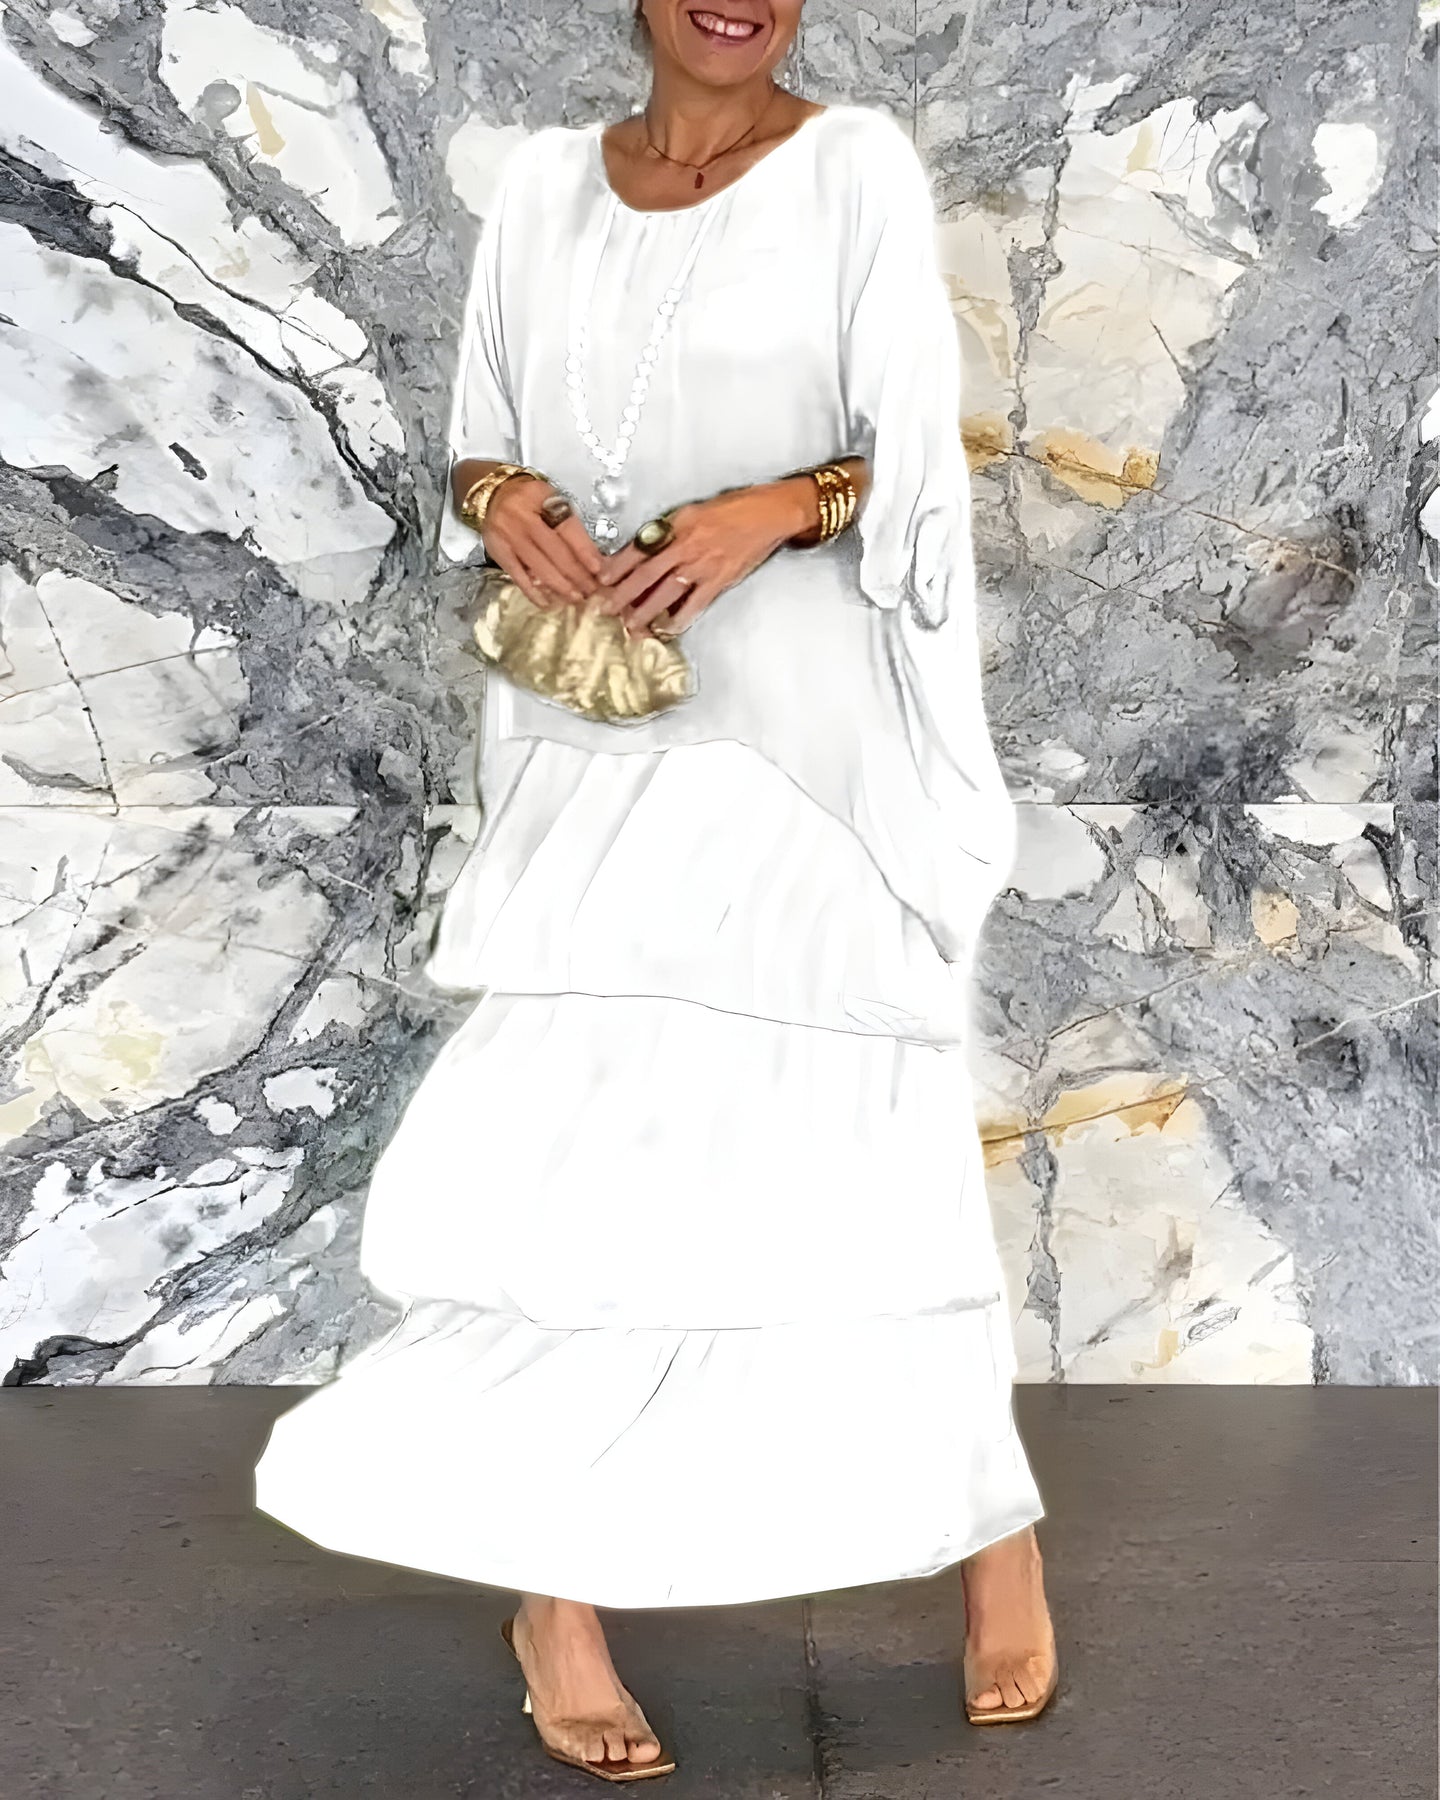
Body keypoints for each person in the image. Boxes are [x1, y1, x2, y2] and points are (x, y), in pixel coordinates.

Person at [253, 0, 1059, 1781]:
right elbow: (478, 441)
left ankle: (992, 1540)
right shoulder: (545, 188)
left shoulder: (853, 168)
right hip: (592, 738)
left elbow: (917, 454)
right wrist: (504, 499)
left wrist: (775, 510)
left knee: (858, 1144)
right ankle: (557, 1603)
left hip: (808, 743)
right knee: (582, 1164)